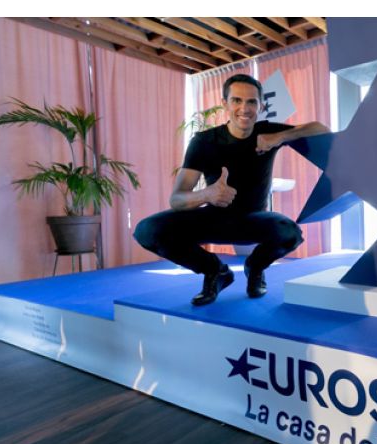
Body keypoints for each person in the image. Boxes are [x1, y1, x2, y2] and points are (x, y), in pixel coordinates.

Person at [134, 74, 329, 305]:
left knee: (290, 233)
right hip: (213, 219)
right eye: (236, 100)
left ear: (260, 106)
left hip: (254, 219)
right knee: (147, 231)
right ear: (225, 104)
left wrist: (280, 137)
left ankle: (254, 267)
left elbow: (321, 129)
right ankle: (215, 271)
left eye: (251, 102)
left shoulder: (267, 132)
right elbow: (177, 199)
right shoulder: (204, 141)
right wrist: (206, 194)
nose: (244, 109)